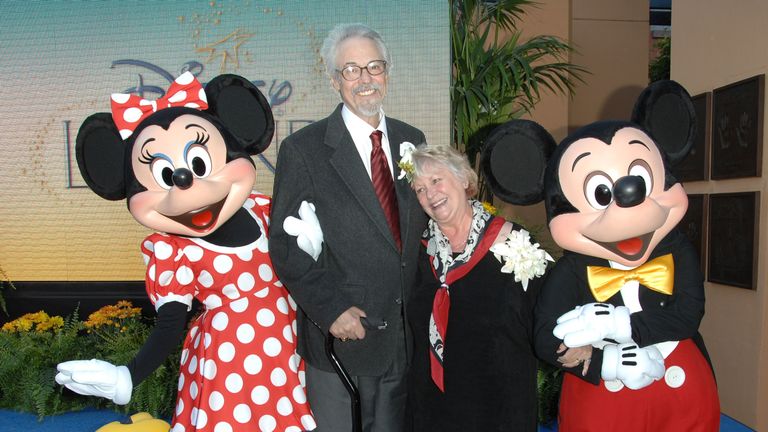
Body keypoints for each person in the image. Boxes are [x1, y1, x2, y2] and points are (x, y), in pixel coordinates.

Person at [55, 73, 315, 432]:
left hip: (292, 349)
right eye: (164, 174)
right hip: (229, 365)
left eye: (197, 164)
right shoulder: (172, 250)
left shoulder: (263, 209)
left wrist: (315, 244)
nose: (185, 182)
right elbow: (170, 323)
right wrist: (128, 375)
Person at [268, 23, 427, 431]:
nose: (365, 80)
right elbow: (286, 246)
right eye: (352, 70)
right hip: (345, 334)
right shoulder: (304, 149)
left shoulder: (413, 140)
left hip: (404, 336)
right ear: (334, 79)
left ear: (387, 73)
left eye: (374, 67)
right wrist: (330, 309)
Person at [404, 144, 550, 432]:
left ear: (463, 180)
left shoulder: (512, 243)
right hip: (434, 404)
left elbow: (545, 313)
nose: (430, 194)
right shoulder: (417, 253)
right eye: (419, 189)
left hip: (498, 404)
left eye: (436, 180)